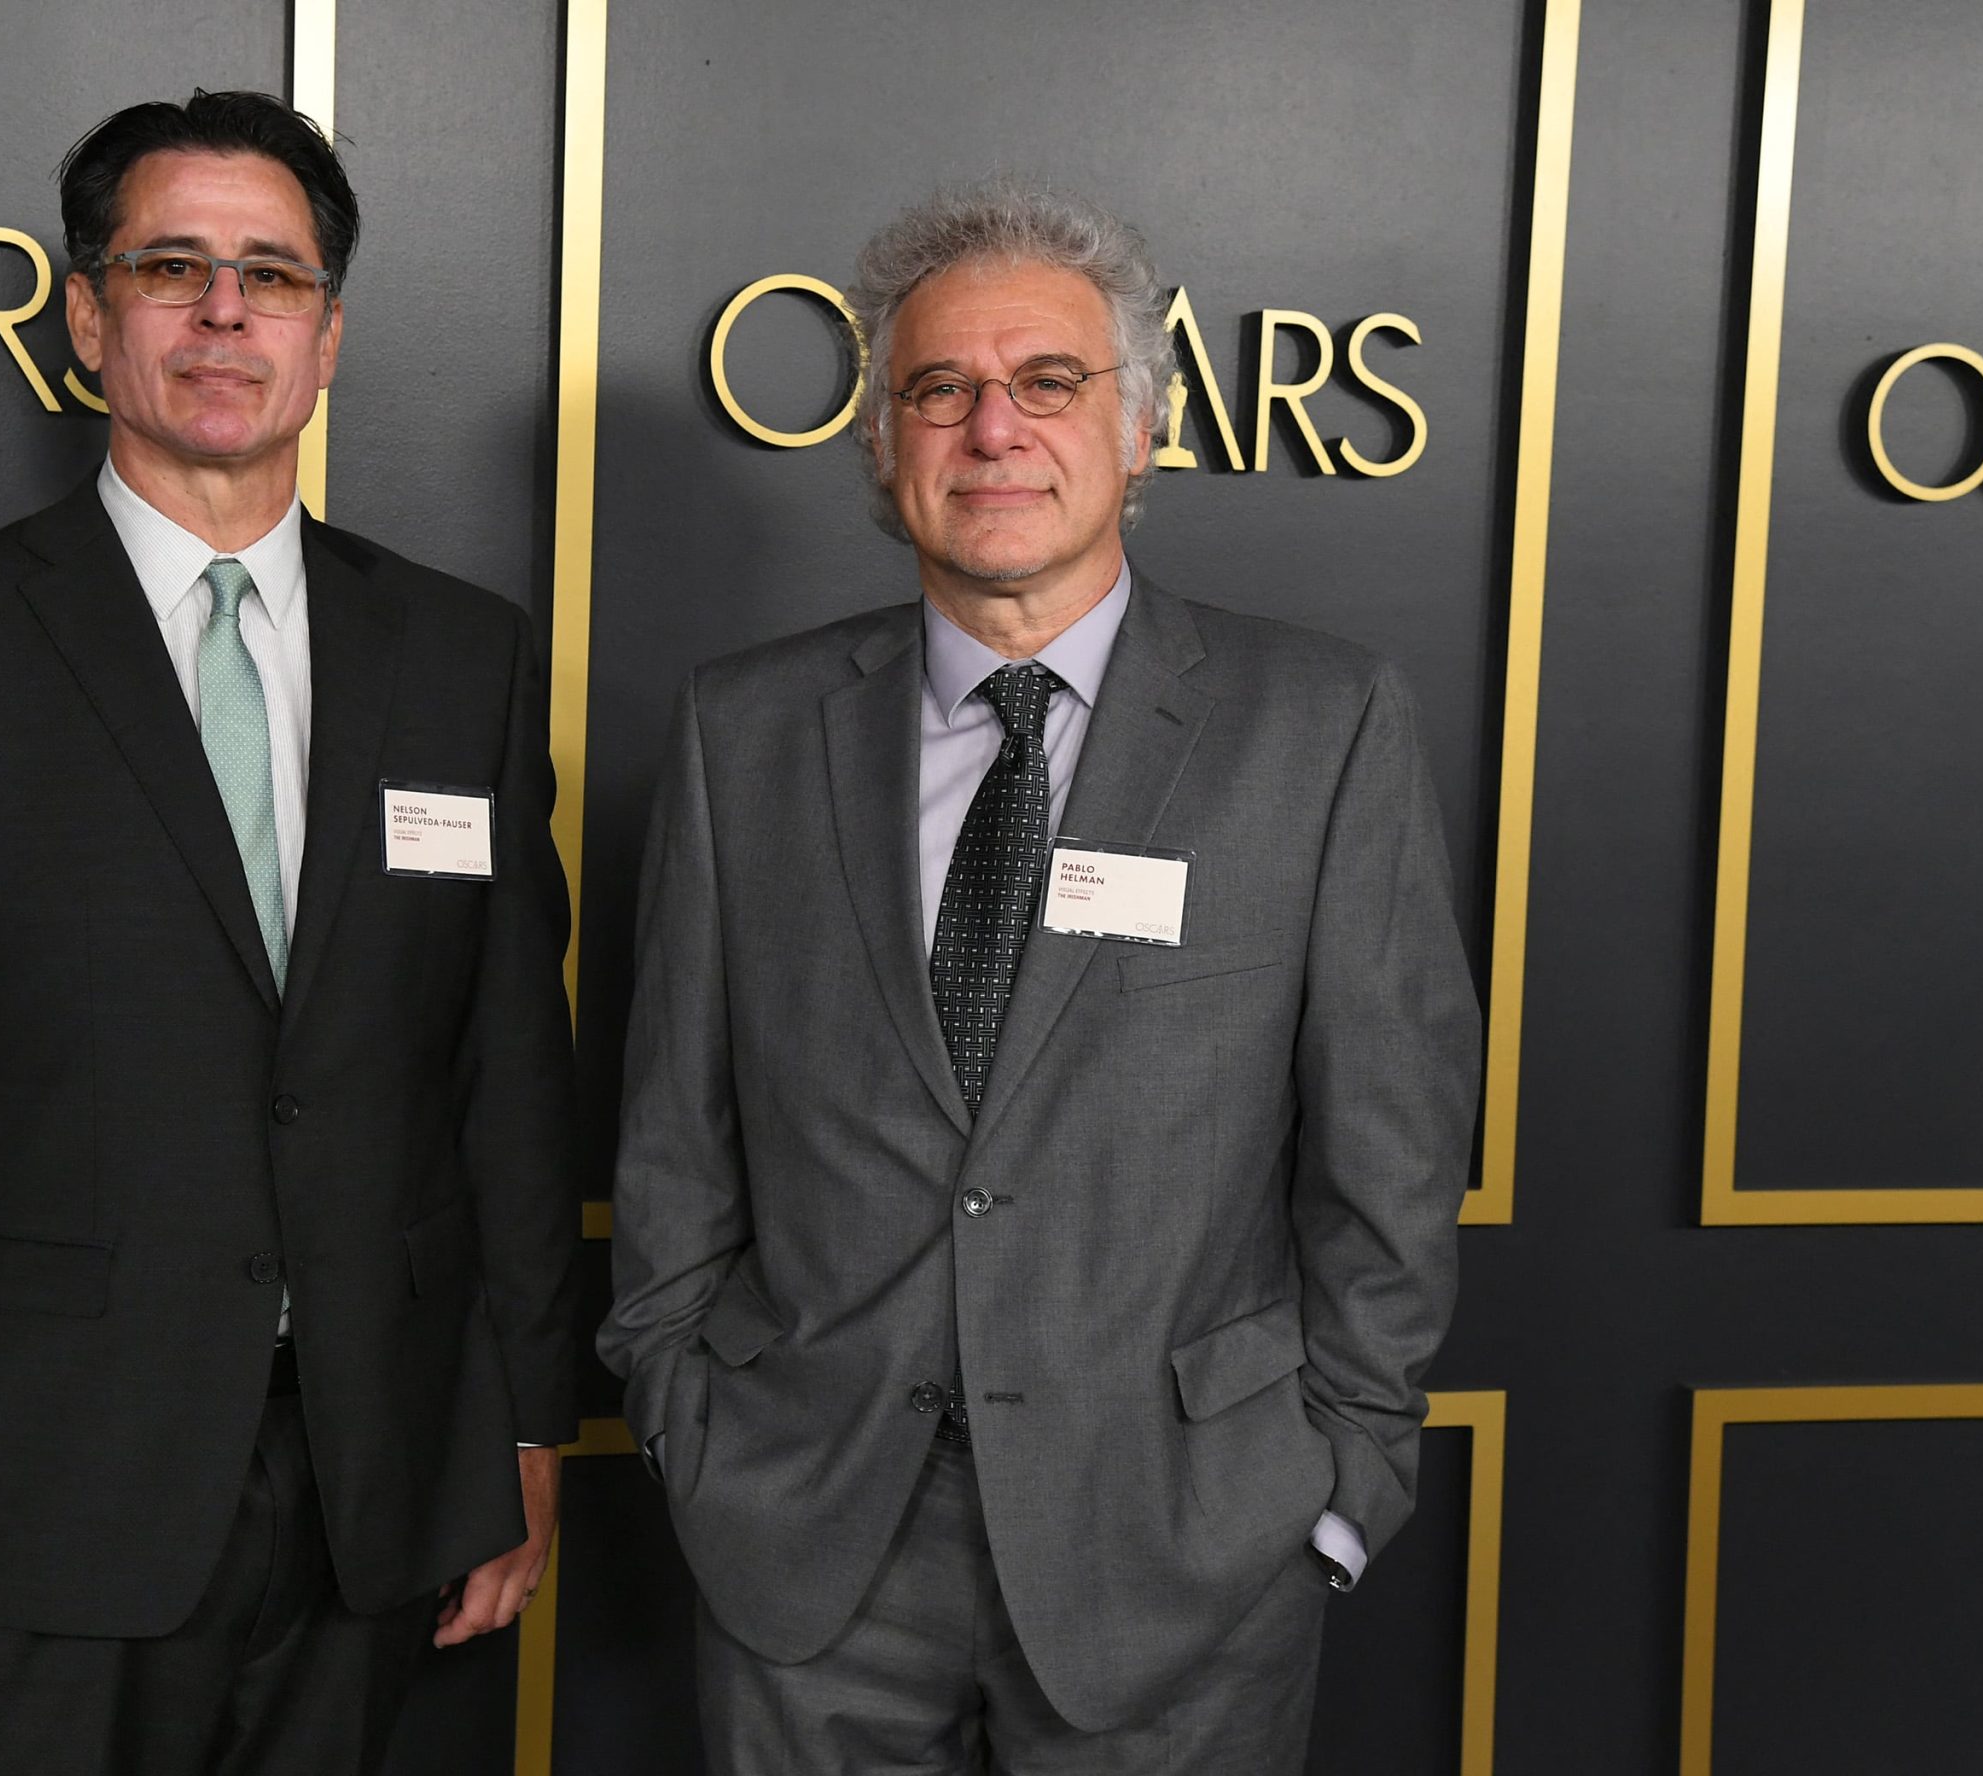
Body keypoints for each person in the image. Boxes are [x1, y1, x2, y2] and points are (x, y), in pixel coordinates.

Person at [599, 176, 1481, 1772]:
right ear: (885, 444)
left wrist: (1339, 1484)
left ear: (1140, 431)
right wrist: (689, 1423)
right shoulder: (745, 730)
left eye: (1049, 382)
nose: (992, 427)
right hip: (810, 1556)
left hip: (1182, 1560)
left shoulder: (1321, 725)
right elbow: (678, 1128)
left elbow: (1394, 1153)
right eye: (940, 389)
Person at [0, 90, 578, 1772]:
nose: (223, 312)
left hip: (383, 1484)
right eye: (171, 266)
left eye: (271, 277)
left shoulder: (462, 658)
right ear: (86, 313)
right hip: (44, 1509)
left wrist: (519, 1427)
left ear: (328, 335)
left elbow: (506, 1074)